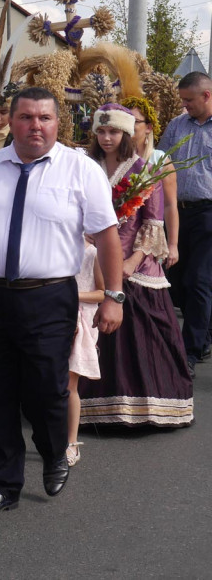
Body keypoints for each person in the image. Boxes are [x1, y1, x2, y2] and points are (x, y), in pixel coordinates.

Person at [0, 86, 123, 518]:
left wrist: (114, 297)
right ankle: (3, 484)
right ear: (10, 121)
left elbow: (106, 237)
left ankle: (53, 454)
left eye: (44, 118)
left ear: (57, 123)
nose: (35, 126)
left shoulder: (79, 169)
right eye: (26, 117)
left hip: (47, 300)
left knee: (46, 391)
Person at [77, 104, 193, 427]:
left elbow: (153, 223)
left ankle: (144, 408)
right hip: (90, 261)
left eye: (113, 131)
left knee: (141, 338)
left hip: (134, 267)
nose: (106, 138)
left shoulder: (142, 170)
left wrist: (131, 261)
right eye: (100, 131)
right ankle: (84, 406)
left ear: (127, 133)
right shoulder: (87, 167)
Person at [158, 71, 212, 376]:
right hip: (176, 212)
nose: (184, 105)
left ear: (206, 95)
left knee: (198, 280)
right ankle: (204, 333)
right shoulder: (178, 125)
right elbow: (161, 161)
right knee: (175, 281)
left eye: (189, 100)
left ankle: (189, 350)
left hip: (208, 213)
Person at [125, 96, 179, 269]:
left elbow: (170, 205)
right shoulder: (114, 160)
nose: (128, 125)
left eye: (134, 121)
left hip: (148, 239)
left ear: (148, 128)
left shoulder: (160, 161)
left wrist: (172, 245)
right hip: (120, 236)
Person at [67, 237, 103, 466]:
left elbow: (102, 292)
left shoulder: (93, 253)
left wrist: (74, 296)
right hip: (54, 315)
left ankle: (71, 442)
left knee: (70, 384)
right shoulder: (56, 244)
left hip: (81, 318)